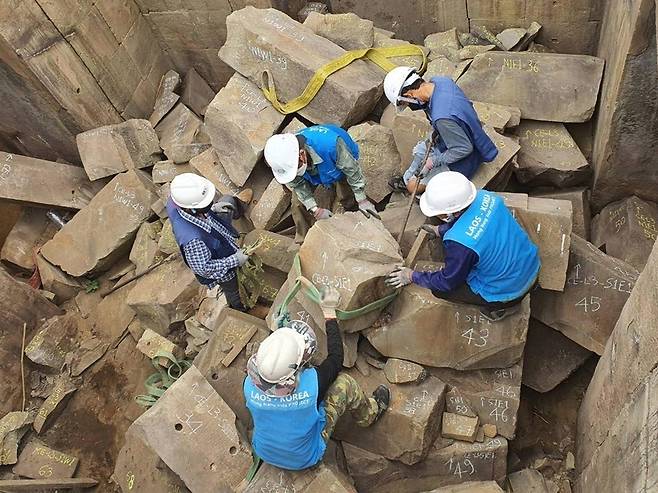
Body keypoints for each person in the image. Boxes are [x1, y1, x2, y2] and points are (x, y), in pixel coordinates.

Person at [244, 287, 390, 470]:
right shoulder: (312, 385)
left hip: (265, 451)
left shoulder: (249, 385)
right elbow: (336, 358)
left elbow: (274, 368)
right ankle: (369, 414)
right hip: (304, 457)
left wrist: (277, 331)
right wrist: (329, 313)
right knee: (344, 384)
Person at [386, 172, 540, 321]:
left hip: (509, 290)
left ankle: (501, 307)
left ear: (449, 213)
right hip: (532, 266)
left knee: (440, 291)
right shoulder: (486, 197)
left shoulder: (461, 245)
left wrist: (411, 276)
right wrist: (440, 230)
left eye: (438, 213)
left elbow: (447, 281)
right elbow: (474, 219)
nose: (436, 216)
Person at [383, 66, 499, 194]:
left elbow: (464, 149)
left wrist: (434, 161)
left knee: (412, 187)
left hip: (466, 158)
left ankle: (420, 189)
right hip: (452, 136)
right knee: (421, 150)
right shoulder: (441, 82)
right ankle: (407, 178)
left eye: (406, 103)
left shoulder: (442, 117)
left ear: (408, 95)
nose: (410, 106)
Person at [264, 124, 378, 242]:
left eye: (295, 170)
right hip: (311, 167)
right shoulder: (286, 160)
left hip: (335, 161)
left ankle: (352, 212)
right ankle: (304, 239)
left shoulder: (331, 145)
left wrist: (362, 199)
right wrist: (315, 210)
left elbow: (352, 171)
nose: (294, 175)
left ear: (302, 155)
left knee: (344, 194)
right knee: (297, 203)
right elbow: (298, 185)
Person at [167, 173, 253, 312]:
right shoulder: (193, 241)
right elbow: (205, 269)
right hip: (221, 261)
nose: (210, 202)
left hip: (214, 228)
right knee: (232, 288)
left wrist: (212, 210)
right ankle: (238, 308)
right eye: (206, 204)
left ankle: (239, 210)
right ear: (192, 209)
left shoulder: (178, 199)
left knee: (228, 201)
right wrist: (234, 260)